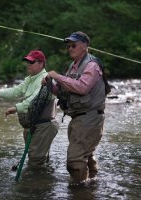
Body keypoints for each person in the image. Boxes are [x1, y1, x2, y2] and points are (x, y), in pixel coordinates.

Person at [0, 50, 58, 171]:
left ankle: (35, 187)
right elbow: (16, 91)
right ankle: (41, 184)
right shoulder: (30, 79)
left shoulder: (45, 79)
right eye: (27, 62)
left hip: (43, 126)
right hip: (33, 126)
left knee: (35, 161)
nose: (28, 64)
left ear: (41, 63)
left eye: (31, 62)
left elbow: (35, 100)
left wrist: (16, 108)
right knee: (37, 160)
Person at [46, 31, 108, 183]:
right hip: (78, 119)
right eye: (69, 46)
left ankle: (80, 190)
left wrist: (57, 76)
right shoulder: (72, 67)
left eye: (74, 45)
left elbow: (82, 87)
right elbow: (63, 92)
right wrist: (50, 85)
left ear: (85, 46)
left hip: (90, 117)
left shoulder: (91, 65)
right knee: (85, 155)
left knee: (74, 161)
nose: (70, 48)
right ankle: (92, 184)